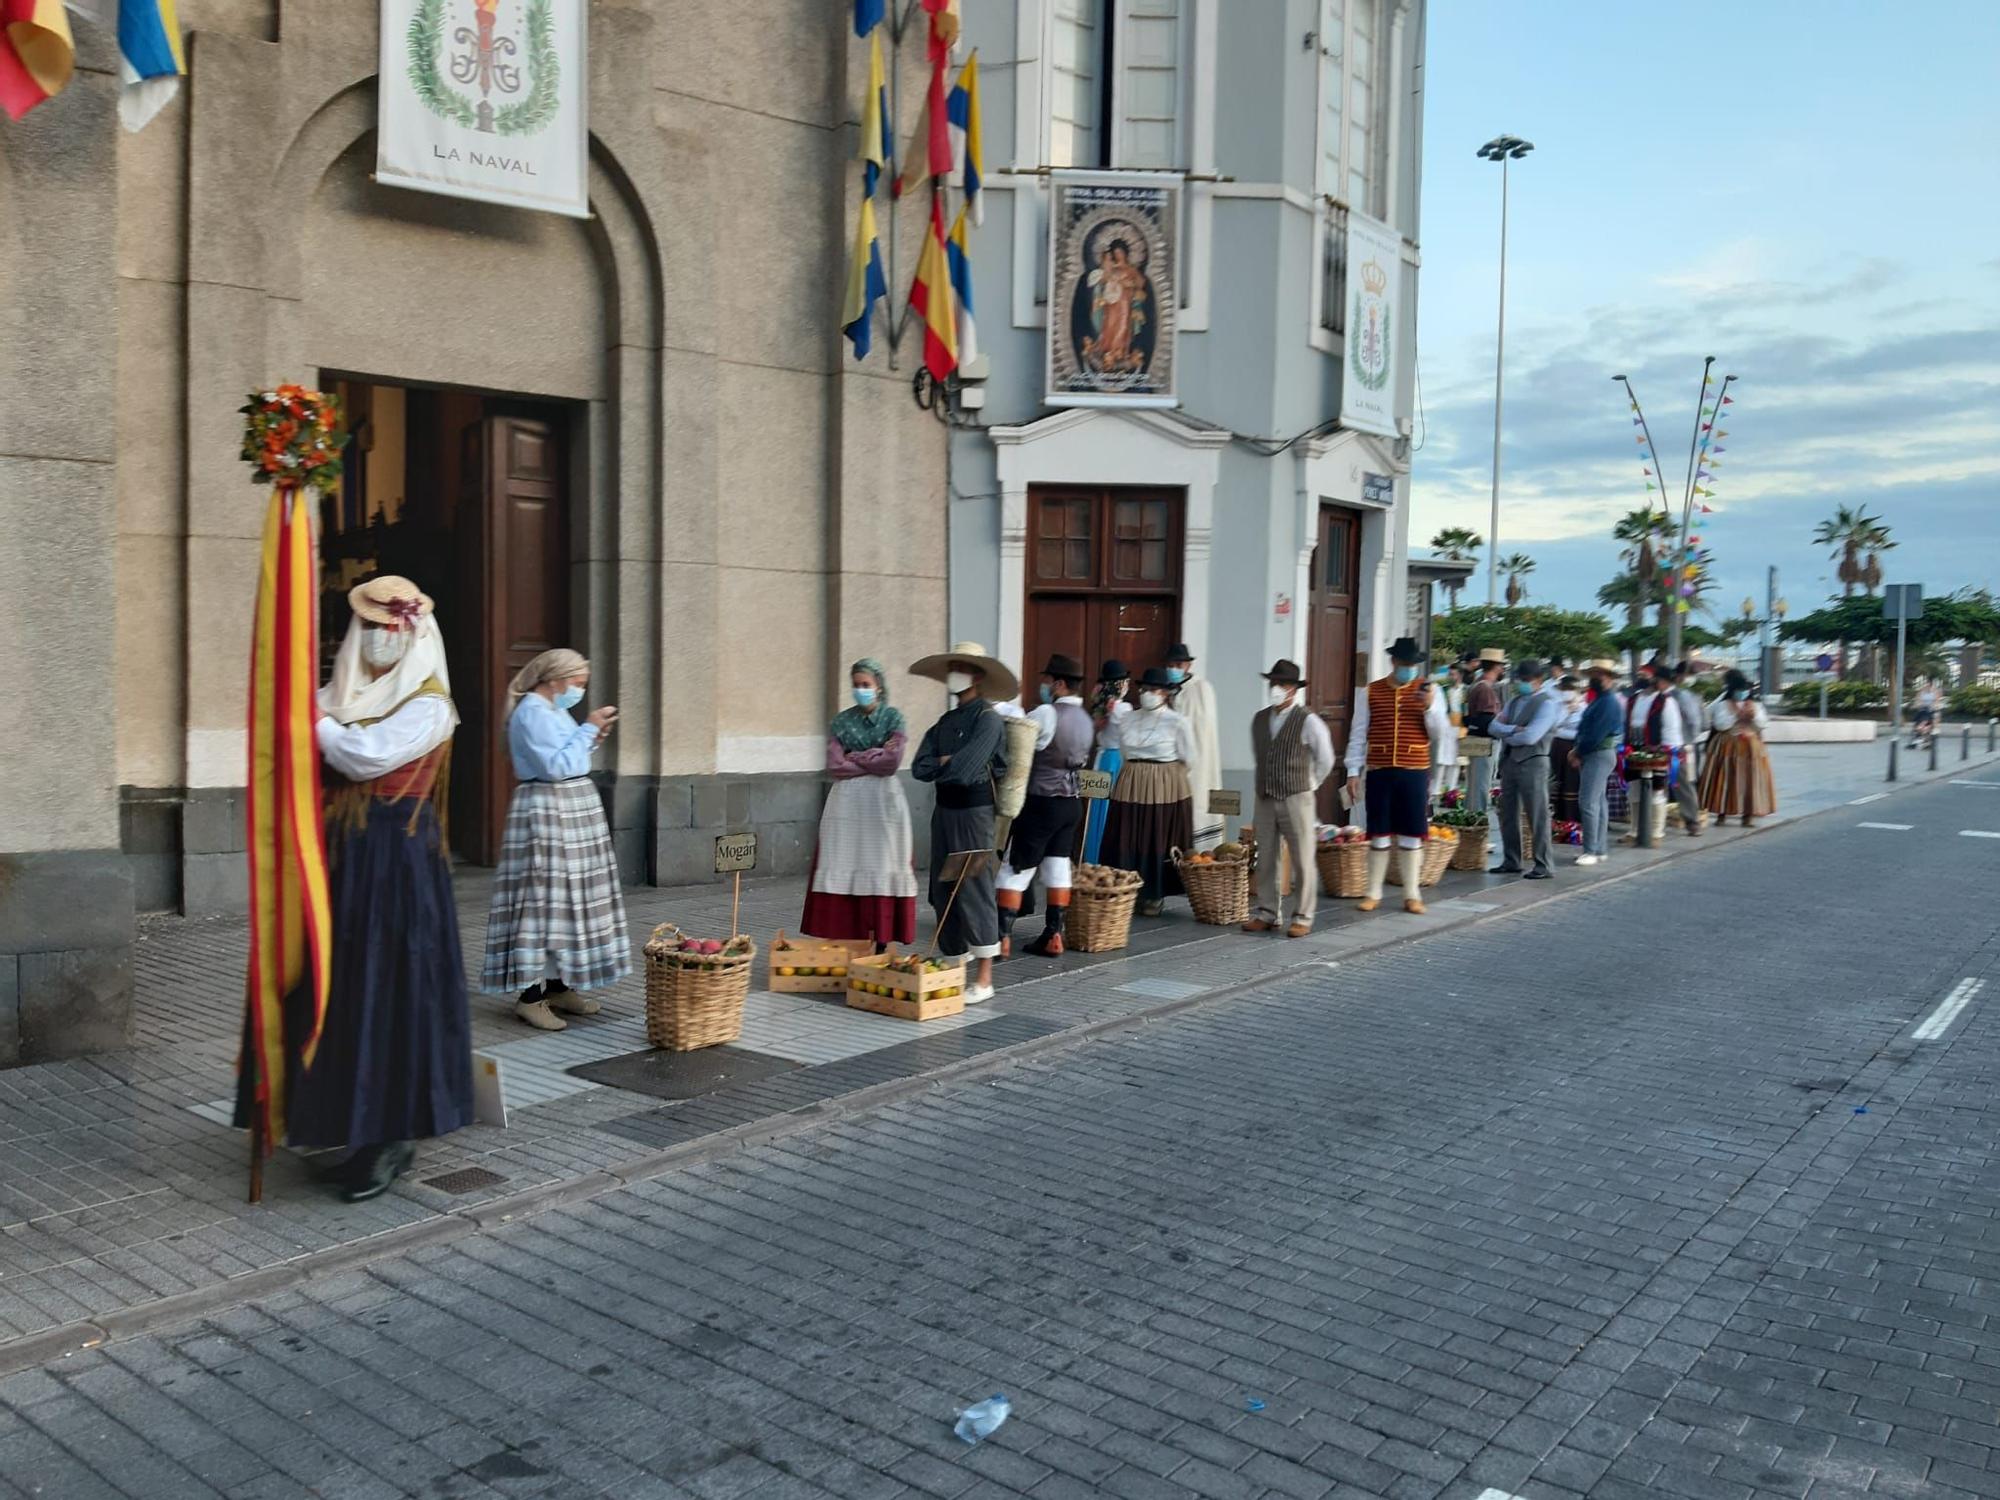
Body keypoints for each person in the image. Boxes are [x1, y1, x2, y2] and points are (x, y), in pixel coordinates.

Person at [237, 576, 472, 1203]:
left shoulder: (428, 704)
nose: (378, 639)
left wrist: (310, 723)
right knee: (341, 996)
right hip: (339, 870)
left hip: (397, 874)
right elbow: (297, 727)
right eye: (368, 628)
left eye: (389, 628)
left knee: (389, 995)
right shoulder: (342, 695)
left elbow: (363, 757)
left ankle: (393, 1139)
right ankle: (351, 1126)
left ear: (415, 632)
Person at [482, 648, 630, 1032]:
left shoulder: (551, 710)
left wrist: (591, 735)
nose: (580, 690)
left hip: (568, 809)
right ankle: (530, 997)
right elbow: (555, 767)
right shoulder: (532, 711)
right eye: (577, 682)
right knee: (543, 898)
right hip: (549, 809)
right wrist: (588, 728)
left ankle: (559, 985)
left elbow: (569, 756)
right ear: (555, 679)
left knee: (567, 900)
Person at [909, 643, 1015, 1005]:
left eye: (962, 667)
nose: (954, 672)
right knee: (943, 889)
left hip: (974, 813)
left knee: (973, 887)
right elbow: (919, 767)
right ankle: (955, 967)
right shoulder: (944, 722)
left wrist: (946, 762)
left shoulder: (987, 719)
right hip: (945, 811)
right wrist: (946, 761)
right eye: (952, 666)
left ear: (978, 676)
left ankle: (984, 978)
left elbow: (966, 769)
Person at [801, 657, 919, 952]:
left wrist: (858, 756)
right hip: (847, 803)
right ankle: (848, 937)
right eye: (856, 685)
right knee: (846, 860)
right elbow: (835, 765)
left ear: (879, 686)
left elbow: (892, 763)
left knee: (882, 862)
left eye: (866, 685)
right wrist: (875, 755)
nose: (860, 690)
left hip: (883, 802)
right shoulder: (841, 722)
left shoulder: (893, 718)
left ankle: (881, 938)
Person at [1340, 639, 1452, 916]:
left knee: (1412, 832)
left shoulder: (1431, 691)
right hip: (1379, 770)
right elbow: (1357, 733)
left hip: (1414, 771)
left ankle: (1412, 894)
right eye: (1404, 665)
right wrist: (1353, 771)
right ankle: (1373, 892)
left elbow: (1440, 734)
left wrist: (1429, 708)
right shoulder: (1371, 692)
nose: (1409, 670)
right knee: (1377, 831)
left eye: (1413, 666)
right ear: (1393, 663)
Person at [997, 655, 1095, 956]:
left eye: (1047, 681)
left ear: (1059, 684)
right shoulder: (1087, 720)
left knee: (1015, 868)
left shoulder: (1046, 713)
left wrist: (1000, 709)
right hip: (1071, 803)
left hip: (1042, 800)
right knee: (1057, 867)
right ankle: (1054, 935)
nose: (1044, 686)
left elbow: (1021, 738)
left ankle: (1001, 938)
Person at [1241, 658, 1335, 936]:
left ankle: (1303, 917)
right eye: (1274, 683)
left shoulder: (1308, 720)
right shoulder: (1259, 719)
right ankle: (1268, 912)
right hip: (1265, 796)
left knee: (1302, 857)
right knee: (1266, 856)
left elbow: (1326, 758)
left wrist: (1311, 783)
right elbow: (1261, 755)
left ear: (1294, 689)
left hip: (1297, 797)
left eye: (1283, 684)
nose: (1277, 688)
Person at [1101, 666, 1196, 917]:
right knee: (1127, 833)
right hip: (1132, 779)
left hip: (1164, 783)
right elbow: (1123, 750)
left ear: (1165, 693)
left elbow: (1189, 757)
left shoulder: (1178, 722)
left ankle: (1154, 894)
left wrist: (1166, 779)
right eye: (1144, 689)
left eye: (1153, 690)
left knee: (1157, 834)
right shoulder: (1128, 718)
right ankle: (1125, 888)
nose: (1147, 694)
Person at [1486, 659, 1561, 879]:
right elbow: (1493, 726)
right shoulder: (1514, 701)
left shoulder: (1547, 704)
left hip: (1534, 761)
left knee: (1537, 813)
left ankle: (1543, 863)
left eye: (1526, 679)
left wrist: (1508, 734)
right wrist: (1513, 730)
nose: (1522, 683)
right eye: (1520, 679)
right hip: (1510, 762)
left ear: (1539, 680)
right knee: (1507, 812)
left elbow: (1532, 736)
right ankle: (1512, 859)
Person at [1699, 669, 1777, 826]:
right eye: (1739, 690)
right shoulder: (1723, 705)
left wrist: (1753, 716)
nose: (1742, 693)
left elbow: (1763, 723)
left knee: (1750, 781)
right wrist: (1736, 716)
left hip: (1750, 747)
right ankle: (1722, 813)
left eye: (1745, 690)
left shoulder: (1756, 705)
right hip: (1727, 745)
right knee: (1725, 779)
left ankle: (1747, 815)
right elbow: (1720, 724)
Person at [1165, 644, 1225, 850]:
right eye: (1170, 664)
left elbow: (1202, 728)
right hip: (1172, 765)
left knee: (1199, 803)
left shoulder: (1202, 688)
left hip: (1200, 762)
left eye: (1178, 664)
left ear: (1188, 665)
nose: (1174, 668)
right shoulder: (1166, 689)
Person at [1623, 660, 1686, 844]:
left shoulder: (1666, 701)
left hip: (1657, 749)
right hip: (1633, 747)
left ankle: (1657, 832)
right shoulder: (1634, 699)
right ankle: (1634, 831)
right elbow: (1626, 723)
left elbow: (1671, 729)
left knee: (1657, 790)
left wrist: (1665, 749)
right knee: (1633, 788)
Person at [1570, 659, 1625, 866]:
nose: (1596, 678)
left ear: (1609, 678)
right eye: (1594, 674)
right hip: (1599, 753)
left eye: (1600, 675)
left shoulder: (1607, 702)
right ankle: (1599, 848)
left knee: (1588, 802)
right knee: (1598, 802)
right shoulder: (1601, 700)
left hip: (1597, 752)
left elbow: (1594, 734)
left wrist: (1578, 751)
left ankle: (1591, 850)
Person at [1082, 659, 1132, 865]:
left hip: (1101, 759)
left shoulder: (1099, 704)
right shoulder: (1123, 708)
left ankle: (1092, 857)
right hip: (1117, 759)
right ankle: (1111, 860)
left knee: (1096, 810)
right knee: (1114, 810)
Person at [1462, 648, 1506, 816]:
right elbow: (1486, 720)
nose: (1503, 670)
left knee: (1473, 784)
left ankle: (1471, 819)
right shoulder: (1486, 689)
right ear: (1495, 666)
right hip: (1484, 742)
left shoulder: (1477, 685)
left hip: (1475, 739)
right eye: (1501, 666)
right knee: (1481, 784)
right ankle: (1477, 822)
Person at [1670, 662, 1706, 836]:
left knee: (1680, 782)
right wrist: (1689, 740)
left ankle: (1691, 819)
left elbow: (1696, 722)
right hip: (1685, 744)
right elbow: (1700, 723)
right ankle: (1692, 820)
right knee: (1684, 783)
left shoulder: (1679, 695)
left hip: (1679, 744)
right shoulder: (1689, 696)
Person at [1549, 674, 1584, 825]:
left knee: (1572, 782)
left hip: (1573, 746)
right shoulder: (1556, 705)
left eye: (1571, 689)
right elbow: (1553, 725)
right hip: (1557, 746)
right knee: (1557, 781)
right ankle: (1557, 818)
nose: (1567, 692)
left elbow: (1583, 729)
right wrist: (1567, 711)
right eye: (1564, 689)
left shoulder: (1584, 707)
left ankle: (1572, 819)